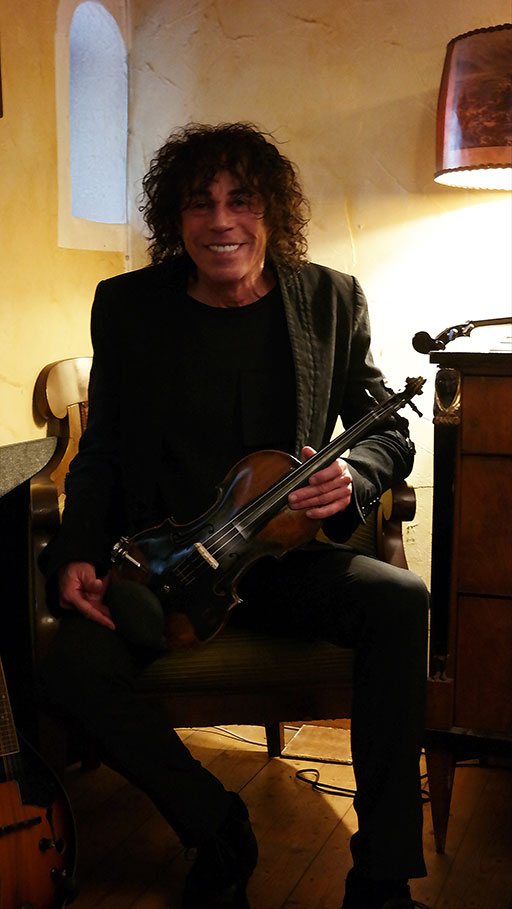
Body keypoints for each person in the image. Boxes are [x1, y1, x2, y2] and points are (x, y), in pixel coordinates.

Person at [38, 122, 429, 909]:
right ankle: (217, 824)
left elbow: (387, 429)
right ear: (176, 220)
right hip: (163, 569)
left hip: (282, 564)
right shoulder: (128, 307)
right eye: (200, 203)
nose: (221, 221)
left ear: (270, 211)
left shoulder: (330, 298)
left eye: (240, 200)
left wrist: (354, 475)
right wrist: (77, 549)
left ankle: (383, 878)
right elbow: (102, 448)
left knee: (400, 600)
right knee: (66, 664)